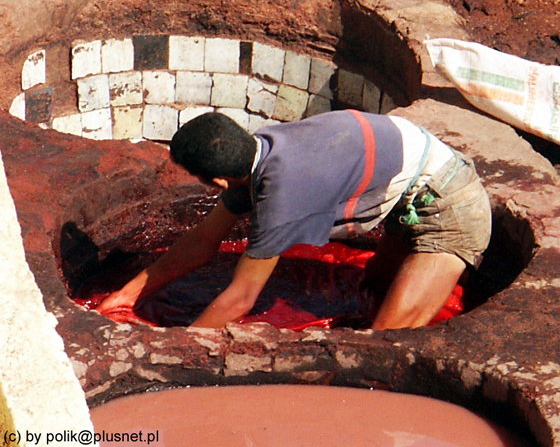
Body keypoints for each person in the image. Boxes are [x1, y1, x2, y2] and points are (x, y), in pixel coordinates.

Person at [96, 110, 492, 330]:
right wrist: (126, 296)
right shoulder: (264, 147)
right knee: (373, 286)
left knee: (384, 342)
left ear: (218, 180)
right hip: (415, 187)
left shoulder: (282, 195)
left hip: (450, 208)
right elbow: (201, 242)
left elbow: (239, 298)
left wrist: (178, 346)